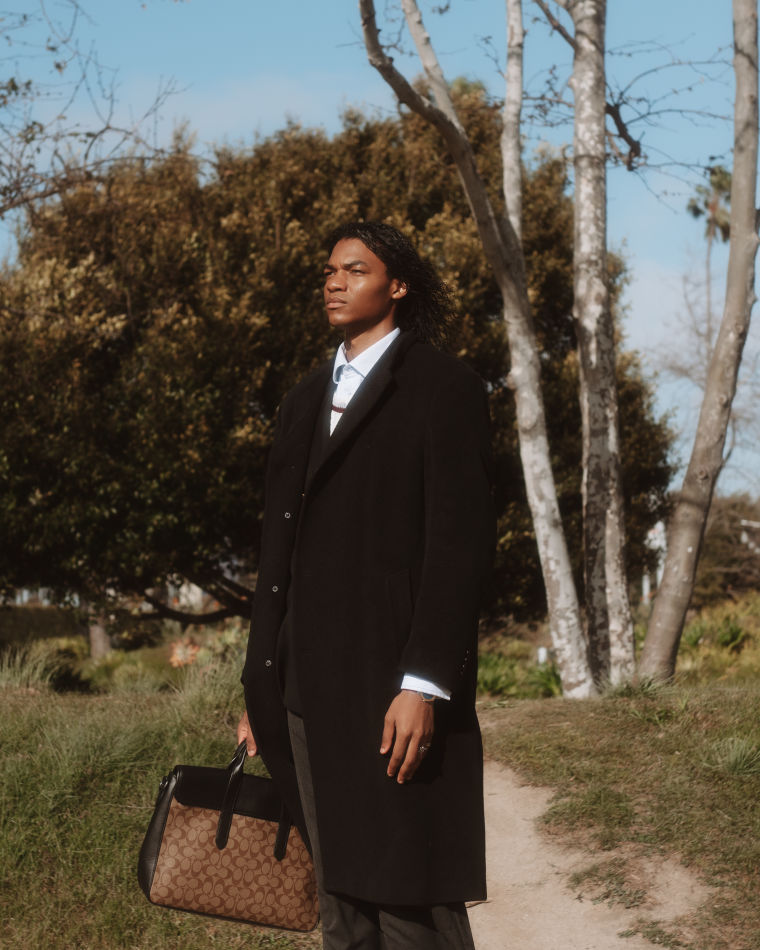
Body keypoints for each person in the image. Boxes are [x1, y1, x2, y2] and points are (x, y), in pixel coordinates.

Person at [238, 221, 495, 949]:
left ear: (398, 285)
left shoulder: (445, 388)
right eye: (329, 271)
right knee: (340, 909)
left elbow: (459, 548)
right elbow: (277, 555)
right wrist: (261, 680)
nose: (335, 282)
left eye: (355, 269)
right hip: (302, 687)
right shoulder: (301, 401)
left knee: (410, 900)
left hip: (393, 684)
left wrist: (425, 684)